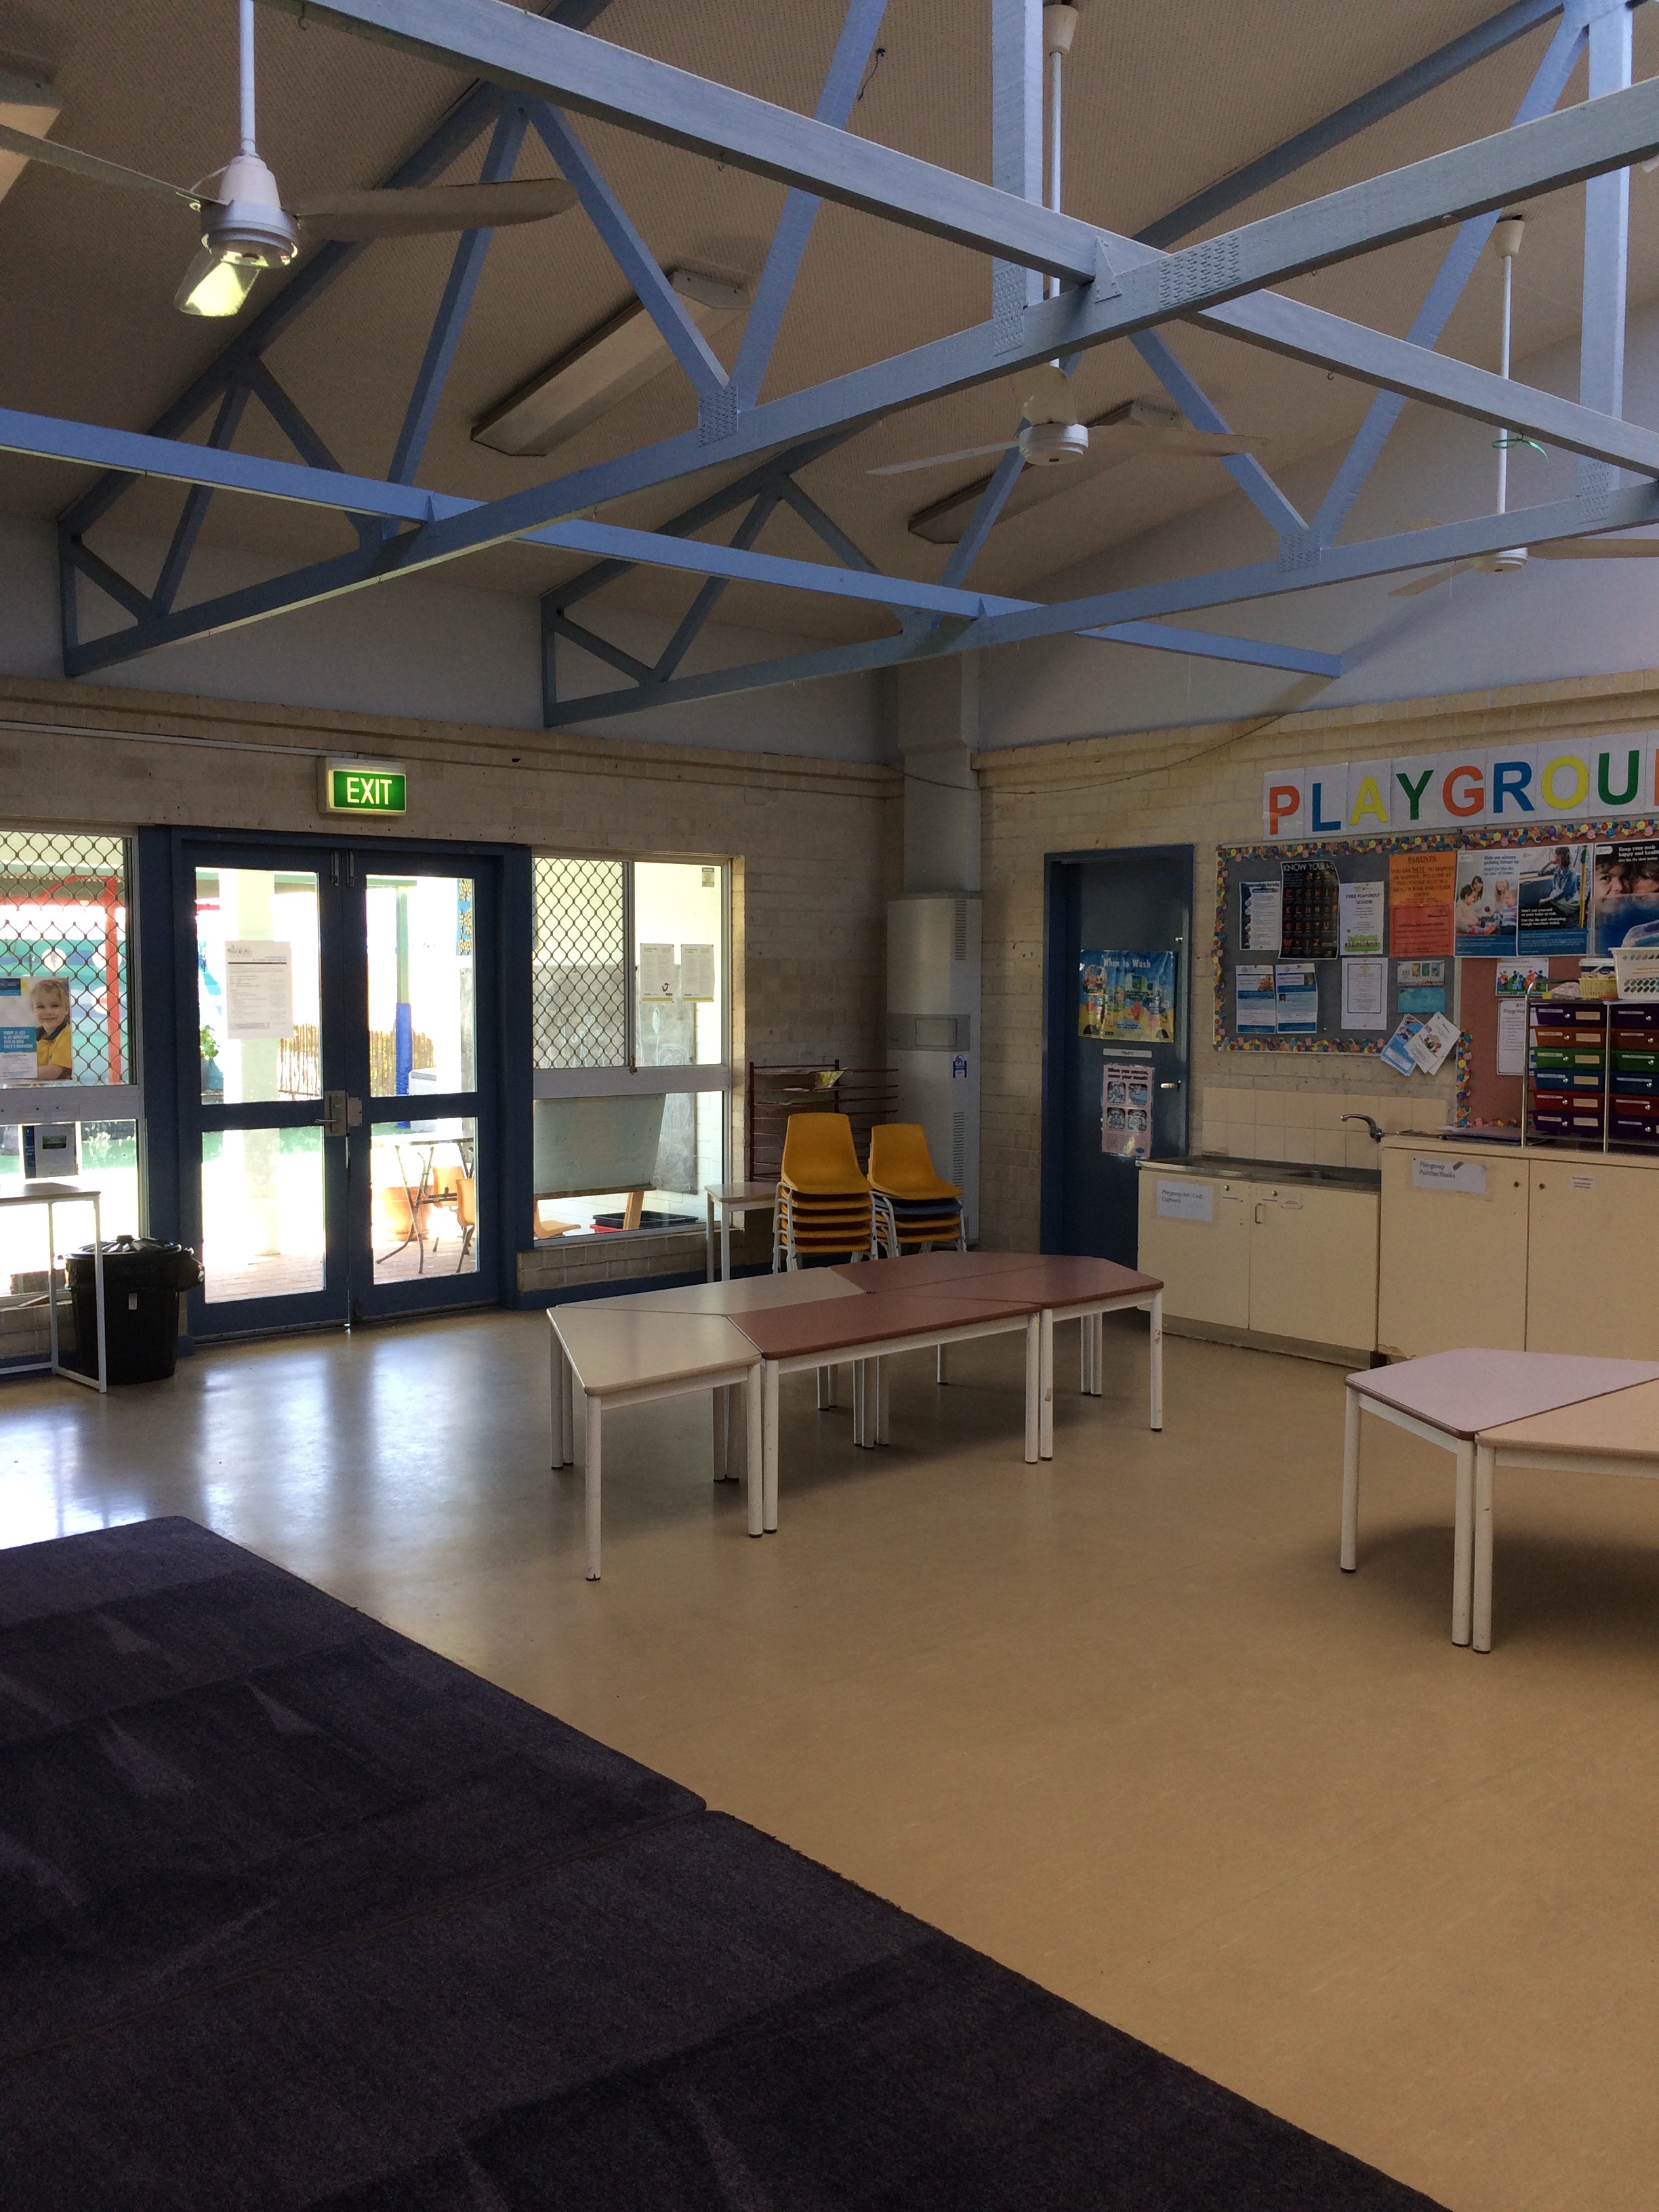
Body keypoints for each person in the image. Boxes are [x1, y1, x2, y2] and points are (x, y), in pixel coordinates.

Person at [30, 976, 71, 1080]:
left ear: (66, 1009)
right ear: (33, 1010)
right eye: (41, 1007)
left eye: (55, 1006)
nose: (48, 1012)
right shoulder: (32, 1036)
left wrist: (18, 1073)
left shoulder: (67, 1035)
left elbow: (53, 1072)